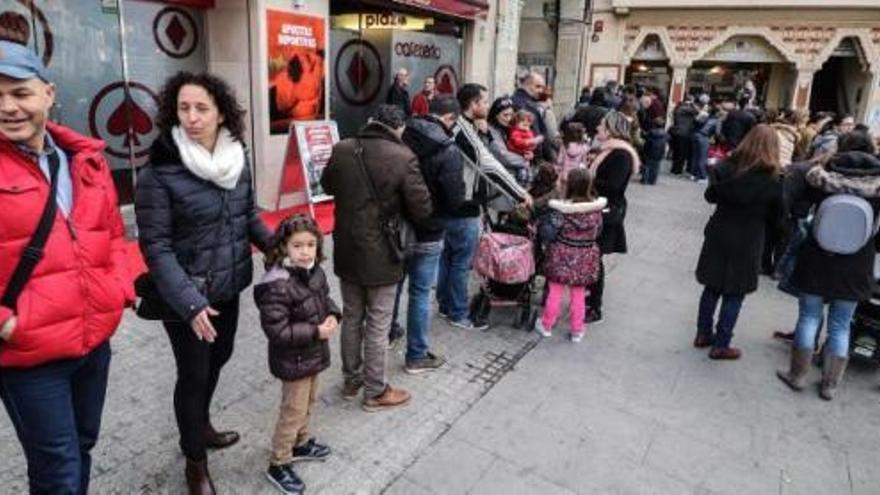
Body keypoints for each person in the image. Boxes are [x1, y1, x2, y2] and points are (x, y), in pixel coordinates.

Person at [0, 39, 134, 494]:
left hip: (93, 343)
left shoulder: (85, 159)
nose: (8, 107)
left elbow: (113, 232)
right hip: (29, 355)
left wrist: (119, 287)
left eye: (20, 92)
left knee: (82, 445)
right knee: (57, 468)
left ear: (49, 93)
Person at [136, 71, 272, 494]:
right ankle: (195, 462)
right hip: (186, 297)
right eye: (183, 108)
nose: (192, 117)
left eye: (201, 108)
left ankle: (201, 425)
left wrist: (276, 247)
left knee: (220, 358)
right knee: (193, 375)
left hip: (228, 285)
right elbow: (155, 246)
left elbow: (246, 216)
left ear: (221, 113)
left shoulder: (237, 157)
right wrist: (190, 304)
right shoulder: (160, 170)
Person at [321, 104, 432, 411]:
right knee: (378, 323)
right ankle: (375, 390)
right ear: (399, 129)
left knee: (353, 315)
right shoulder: (403, 156)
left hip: (346, 247)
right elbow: (422, 209)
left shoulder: (342, 148)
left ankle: (351, 379)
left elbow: (327, 185)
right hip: (383, 252)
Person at [777, 148, 880, 400]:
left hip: (816, 262)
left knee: (809, 318)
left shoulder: (821, 185)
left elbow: (800, 212)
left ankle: (798, 375)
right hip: (856, 268)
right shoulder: (877, 194)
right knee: (841, 326)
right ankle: (829, 385)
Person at [253, 214, 340, 495]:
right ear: (284, 248)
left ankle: (301, 442)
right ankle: (279, 461)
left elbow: (325, 299)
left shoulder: (315, 272)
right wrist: (316, 331)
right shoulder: (276, 284)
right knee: (292, 410)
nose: (305, 252)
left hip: (313, 353)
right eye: (297, 245)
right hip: (293, 360)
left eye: (310, 245)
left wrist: (334, 316)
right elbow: (277, 332)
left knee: (310, 401)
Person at [693, 125, 784, 360]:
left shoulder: (725, 167)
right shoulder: (773, 179)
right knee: (735, 293)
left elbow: (710, 196)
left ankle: (703, 333)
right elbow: (778, 218)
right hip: (749, 238)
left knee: (712, 285)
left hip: (720, 231)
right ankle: (721, 344)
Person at [450, 83, 530, 328]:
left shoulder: (466, 126)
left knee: (450, 260)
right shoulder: (462, 128)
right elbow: (487, 164)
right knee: (461, 264)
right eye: (484, 102)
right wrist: (519, 194)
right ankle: (458, 313)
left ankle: (448, 306)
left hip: (456, 201)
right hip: (463, 204)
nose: (487, 105)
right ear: (473, 104)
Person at [398, 95, 464, 373]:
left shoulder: (401, 136)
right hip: (430, 229)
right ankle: (416, 354)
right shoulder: (448, 149)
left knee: (395, 286)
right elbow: (454, 199)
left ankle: (388, 333)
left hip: (397, 227)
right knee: (421, 292)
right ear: (450, 118)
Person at [536, 168, 606, 342]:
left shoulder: (561, 211)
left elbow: (548, 234)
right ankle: (577, 330)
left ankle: (546, 325)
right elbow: (598, 233)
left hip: (561, 255)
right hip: (585, 257)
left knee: (555, 291)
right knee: (579, 294)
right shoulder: (596, 210)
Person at [585, 111, 641, 323]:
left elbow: (614, 186)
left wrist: (587, 178)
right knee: (591, 257)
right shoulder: (607, 150)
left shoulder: (621, 154)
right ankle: (588, 297)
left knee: (594, 258)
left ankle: (595, 307)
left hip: (607, 212)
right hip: (597, 207)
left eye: (601, 125)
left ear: (610, 129)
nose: (598, 129)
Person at [512, 72, 556, 161]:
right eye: (538, 86)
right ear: (528, 85)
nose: (541, 91)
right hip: (529, 157)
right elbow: (537, 133)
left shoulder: (513, 99)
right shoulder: (529, 106)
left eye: (542, 87)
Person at [487, 95, 530, 185]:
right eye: (505, 115)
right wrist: (524, 160)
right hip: (499, 180)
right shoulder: (491, 131)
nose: (509, 119)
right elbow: (502, 155)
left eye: (511, 115)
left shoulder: (509, 129)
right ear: (496, 115)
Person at [555, 122, 589, 193]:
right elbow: (583, 164)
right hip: (576, 177)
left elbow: (559, 162)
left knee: (563, 196)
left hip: (564, 176)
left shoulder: (564, 147)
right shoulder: (584, 147)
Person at [690, 105, 720, 183]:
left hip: (695, 135)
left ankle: (693, 174)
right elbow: (717, 133)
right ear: (717, 113)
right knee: (703, 157)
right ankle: (702, 177)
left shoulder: (705, 116)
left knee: (695, 156)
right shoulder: (717, 121)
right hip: (704, 137)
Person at [670, 96, 698, 175]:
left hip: (678, 132)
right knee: (681, 153)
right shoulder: (685, 109)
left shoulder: (679, 108)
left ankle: (674, 168)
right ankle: (677, 170)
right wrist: (692, 104)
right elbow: (696, 111)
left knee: (677, 152)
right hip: (683, 133)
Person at [642, 117, 668, 185]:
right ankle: (652, 180)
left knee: (647, 166)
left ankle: (645, 180)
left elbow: (646, 142)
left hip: (650, 151)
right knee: (656, 167)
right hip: (660, 152)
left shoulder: (651, 133)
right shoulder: (665, 135)